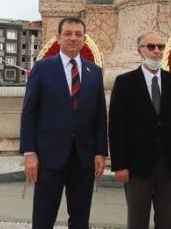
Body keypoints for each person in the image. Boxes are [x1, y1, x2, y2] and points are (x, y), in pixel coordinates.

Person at [20, 16, 107, 229]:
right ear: (58, 37)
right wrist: (29, 152)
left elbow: (99, 116)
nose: (73, 38)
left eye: (78, 34)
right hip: (49, 157)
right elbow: (29, 112)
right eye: (68, 33)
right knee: (43, 218)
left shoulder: (94, 72)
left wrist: (100, 152)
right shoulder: (42, 68)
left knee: (80, 219)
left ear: (84, 39)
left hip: (83, 158)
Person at [109, 32, 171, 229]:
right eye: (151, 46)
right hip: (137, 166)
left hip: (169, 164)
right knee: (137, 219)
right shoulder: (125, 82)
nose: (156, 51)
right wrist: (119, 164)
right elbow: (116, 126)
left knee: (166, 220)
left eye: (160, 47)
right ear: (140, 51)